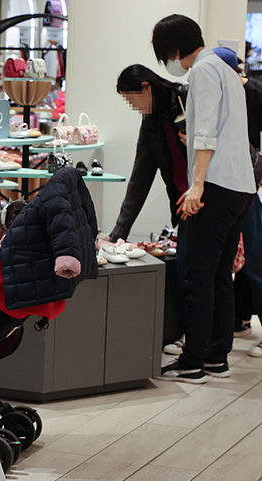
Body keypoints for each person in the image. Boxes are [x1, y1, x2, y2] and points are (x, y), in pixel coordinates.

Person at [152, 14, 256, 383]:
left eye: (165, 53)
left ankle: (193, 360)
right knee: (219, 275)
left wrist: (195, 187)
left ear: (175, 49)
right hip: (241, 186)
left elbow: (207, 133)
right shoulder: (227, 68)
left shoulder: (203, 71)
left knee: (196, 273)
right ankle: (216, 357)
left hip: (216, 186)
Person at [112, 65, 189, 354]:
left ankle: (207, 347)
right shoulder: (151, 123)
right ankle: (196, 340)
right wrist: (119, 232)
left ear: (146, 87)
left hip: (215, 196)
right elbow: (140, 179)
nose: (133, 106)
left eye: (132, 99)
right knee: (192, 270)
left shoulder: (185, 99)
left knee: (215, 272)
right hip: (184, 203)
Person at [212, 46, 262, 357]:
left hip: (244, 183)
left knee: (254, 260)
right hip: (238, 183)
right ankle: (240, 317)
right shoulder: (237, 91)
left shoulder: (248, 92)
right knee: (240, 258)